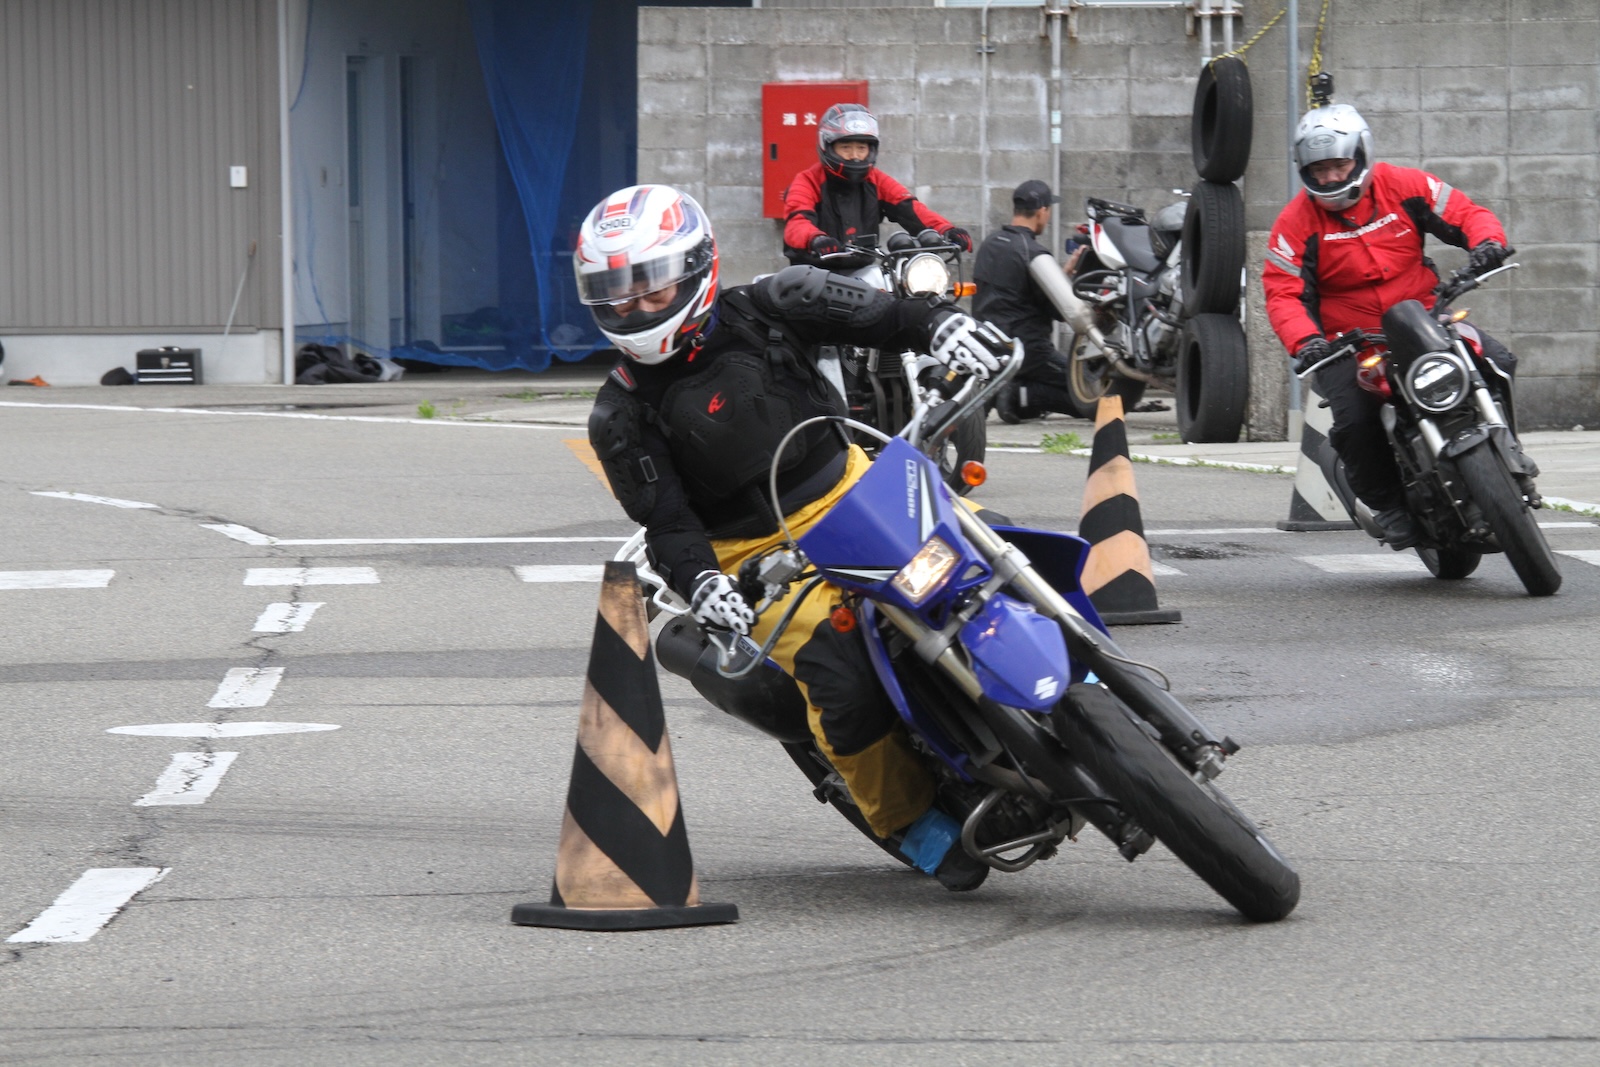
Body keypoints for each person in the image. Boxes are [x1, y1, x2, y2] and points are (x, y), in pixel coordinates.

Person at [577, 184, 1013, 890]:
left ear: (696, 268)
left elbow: (884, 316)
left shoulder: (773, 304)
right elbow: (668, 522)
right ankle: (907, 818)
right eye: (617, 296)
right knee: (838, 669)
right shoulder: (620, 415)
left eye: (650, 288)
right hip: (755, 556)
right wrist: (704, 582)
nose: (635, 308)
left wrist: (939, 327)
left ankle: (1089, 681)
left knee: (996, 551)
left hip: (855, 487)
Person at [1264, 102, 1516, 550]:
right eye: (1319, 169)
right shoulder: (1294, 224)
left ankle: (1506, 451)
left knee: (1496, 360)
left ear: (1361, 155)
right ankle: (1389, 506)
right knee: (1355, 420)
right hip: (1348, 345)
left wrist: (1487, 243)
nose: (1330, 178)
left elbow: (1466, 213)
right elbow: (1283, 293)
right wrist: (1307, 342)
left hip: (1424, 318)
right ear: (1305, 169)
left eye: (1339, 165)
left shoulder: (1406, 185)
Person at [782, 103, 971, 265]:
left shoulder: (876, 180)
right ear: (828, 147)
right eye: (846, 147)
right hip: (812, 273)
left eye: (861, 148)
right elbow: (797, 222)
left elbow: (911, 208)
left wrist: (946, 230)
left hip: (865, 273)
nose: (855, 155)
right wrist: (816, 239)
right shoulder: (807, 181)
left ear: (871, 150)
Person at [971, 179, 1082, 423]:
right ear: (1042, 211)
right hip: (1030, 352)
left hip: (991, 347)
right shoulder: (1033, 253)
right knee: (1089, 389)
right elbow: (1060, 310)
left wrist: (1061, 275)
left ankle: (1014, 392)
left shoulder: (989, 244)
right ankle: (1020, 394)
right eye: (1048, 211)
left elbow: (1020, 294)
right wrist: (1070, 280)